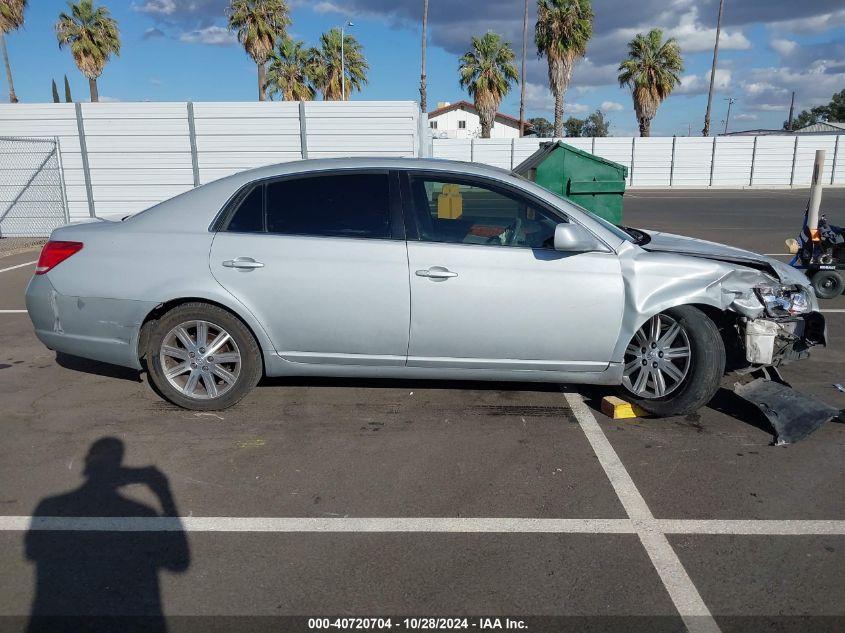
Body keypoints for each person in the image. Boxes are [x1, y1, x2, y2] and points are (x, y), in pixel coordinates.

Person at [25, 437, 190, 633]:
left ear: (86, 463)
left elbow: (32, 552)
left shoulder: (50, 506)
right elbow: (179, 562)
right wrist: (164, 493)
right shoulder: (142, 513)